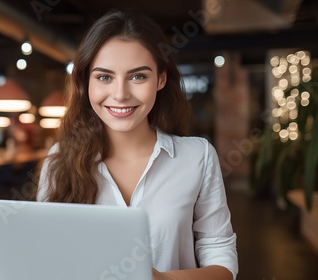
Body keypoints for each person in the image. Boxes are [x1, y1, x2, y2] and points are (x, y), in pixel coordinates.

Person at [35, 9, 238, 280]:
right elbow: (43, 256)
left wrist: (162, 279)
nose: (120, 94)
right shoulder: (59, 158)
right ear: (86, 82)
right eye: (104, 77)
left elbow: (220, 256)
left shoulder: (197, 156)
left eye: (137, 76)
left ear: (161, 79)